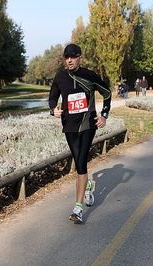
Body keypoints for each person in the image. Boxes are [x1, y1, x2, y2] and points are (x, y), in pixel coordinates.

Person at [49, 44, 111, 223]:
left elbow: (106, 93)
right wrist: (53, 109)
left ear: (79, 57)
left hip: (88, 124)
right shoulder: (60, 77)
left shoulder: (89, 75)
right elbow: (52, 97)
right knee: (78, 162)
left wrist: (104, 115)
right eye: (66, 57)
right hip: (69, 126)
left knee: (82, 161)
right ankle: (88, 185)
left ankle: (78, 208)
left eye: (73, 56)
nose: (69, 60)